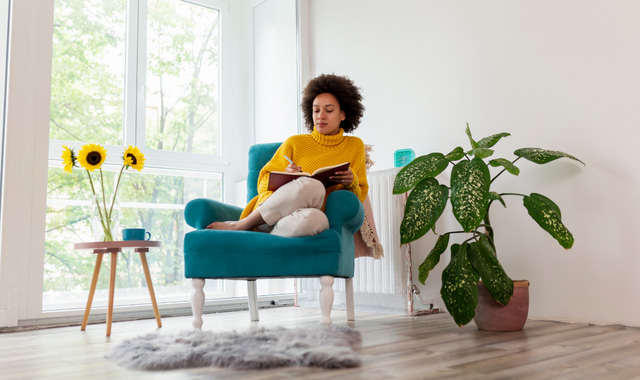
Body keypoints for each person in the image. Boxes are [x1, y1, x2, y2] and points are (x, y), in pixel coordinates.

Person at [207, 73, 368, 237]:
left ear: (343, 114)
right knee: (313, 186)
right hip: (265, 218)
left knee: (319, 220)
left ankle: (267, 242)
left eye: (329, 110)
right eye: (316, 110)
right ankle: (243, 224)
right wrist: (286, 177)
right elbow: (263, 182)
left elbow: (358, 196)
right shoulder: (295, 142)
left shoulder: (354, 146)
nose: (321, 116)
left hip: (296, 223)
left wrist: (351, 181)